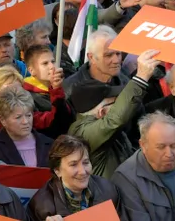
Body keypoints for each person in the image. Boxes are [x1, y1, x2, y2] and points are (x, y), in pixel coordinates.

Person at [69, 48, 161, 178]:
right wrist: (141, 78)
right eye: (115, 103)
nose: (119, 105)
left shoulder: (115, 133)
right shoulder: (82, 133)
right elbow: (115, 119)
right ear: (102, 112)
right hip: (106, 197)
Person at [27, 135, 122, 221]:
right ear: (57, 171)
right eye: (73, 165)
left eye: (85, 163)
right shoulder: (41, 206)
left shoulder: (108, 190)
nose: (83, 172)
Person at [0, 87, 52, 166]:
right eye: (18, 117)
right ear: (3, 120)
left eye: (28, 115)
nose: (25, 121)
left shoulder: (49, 144)